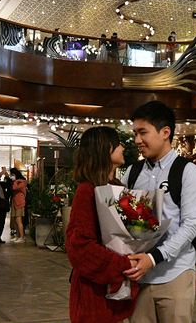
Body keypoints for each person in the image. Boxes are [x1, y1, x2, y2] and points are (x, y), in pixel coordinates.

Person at [123, 101, 196, 323]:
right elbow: (121, 218)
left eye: (143, 133)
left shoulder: (187, 171)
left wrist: (154, 257)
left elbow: (190, 226)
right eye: (135, 133)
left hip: (175, 274)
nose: (137, 140)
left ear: (165, 132)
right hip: (138, 277)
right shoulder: (132, 173)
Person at [66, 126, 139, 323]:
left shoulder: (117, 187)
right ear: (106, 148)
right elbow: (81, 246)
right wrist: (122, 264)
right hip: (93, 293)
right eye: (118, 144)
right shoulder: (87, 190)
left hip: (114, 289)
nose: (123, 148)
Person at [10, 168, 28, 242]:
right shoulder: (18, 182)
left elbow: (14, 188)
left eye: (13, 175)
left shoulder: (21, 183)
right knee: (15, 220)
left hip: (20, 202)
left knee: (18, 220)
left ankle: (22, 237)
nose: (12, 176)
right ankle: (17, 236)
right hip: (15, 202)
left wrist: (16, 181)